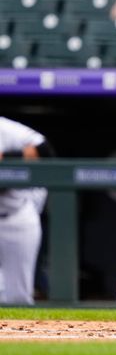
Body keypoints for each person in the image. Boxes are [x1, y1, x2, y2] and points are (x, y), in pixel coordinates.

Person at [0, 118, 54, 305]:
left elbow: (44, 150)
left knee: (18, 297)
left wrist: (6, 159)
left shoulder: (4, 128)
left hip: (16, 216)